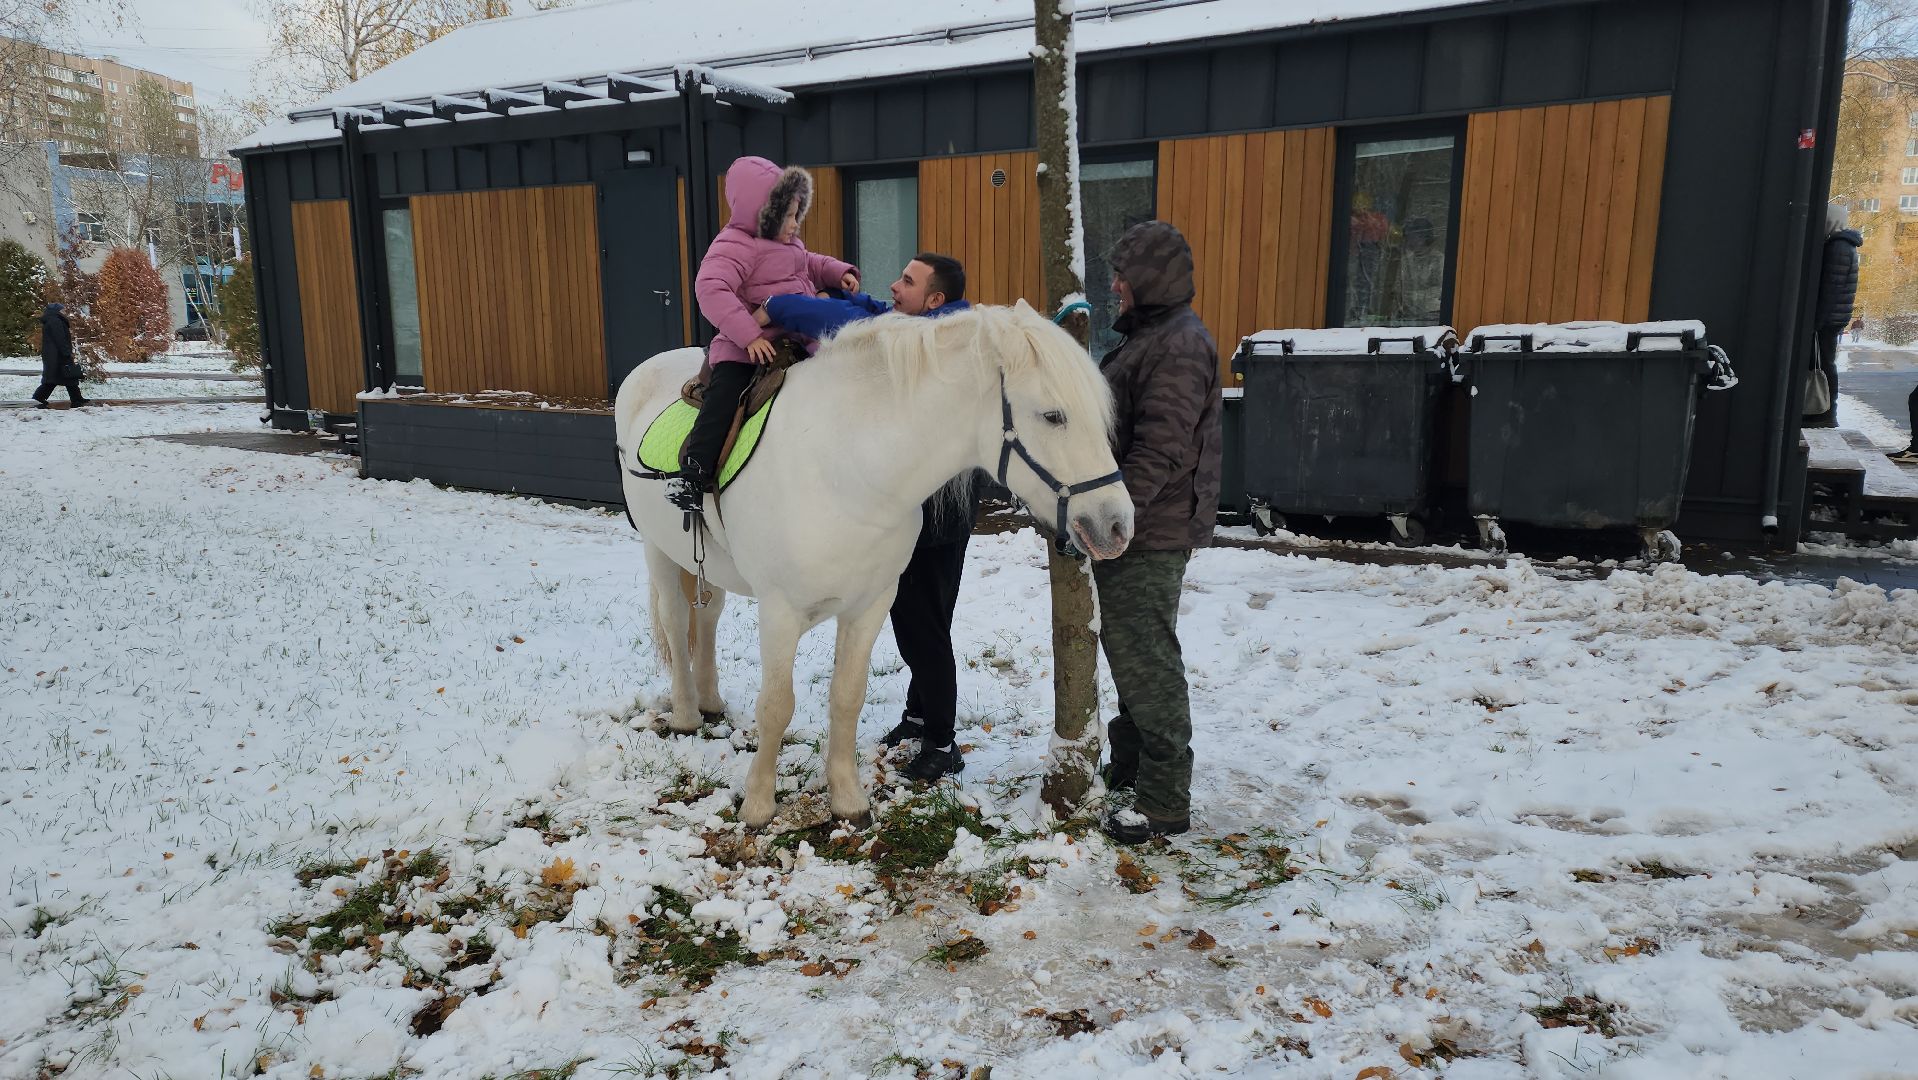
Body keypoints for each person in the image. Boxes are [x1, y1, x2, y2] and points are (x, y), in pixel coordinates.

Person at [759, 255, 981, 781]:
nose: (894, 285)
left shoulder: (928, 340)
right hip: (936, 508)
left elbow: (845, 324)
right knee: (928, 620)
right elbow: (868, 308)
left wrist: (773, 305)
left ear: (934, 301)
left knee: (921, 628)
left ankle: (942, 741)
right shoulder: (944, 327)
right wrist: (838, 284)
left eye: (908, 281)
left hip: (927, 515)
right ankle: (918, 713)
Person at [1092, 220, 1221, 845]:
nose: (1115, 284)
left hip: (1151, 527)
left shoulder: (1179, 344)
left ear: (1150, 280)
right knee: (1130, 652)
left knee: (1147, 658)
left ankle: (1165, 799)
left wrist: (1114, 517)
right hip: (1137, 523)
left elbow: (1161, 448)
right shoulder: (1151, 335)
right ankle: (1131, 767)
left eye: (1124, 274)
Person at [669, 156, 858, 510]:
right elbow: (711, 287)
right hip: (748, 346)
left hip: (798, 337)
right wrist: (747, 335)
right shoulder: (734, 244)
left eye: (797, 214)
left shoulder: (788, 244)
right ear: (761, 213)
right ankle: (694, 473)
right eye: (786, 216)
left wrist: (837, 272)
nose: (794, 224)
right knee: (726, 395)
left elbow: (810, 263)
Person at [1806, 203, 1860, 429]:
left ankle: (1823, 411)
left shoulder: (1837, 247)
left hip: (1827, 319)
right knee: (1825, 362)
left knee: (1823, 364)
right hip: (1834, 317)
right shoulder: (1844, 245)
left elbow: (1830, 288)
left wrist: (1814, 323)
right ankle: (1823, 410)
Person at [32, 303, 87, 409]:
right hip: (57, 355)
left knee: (65, 377)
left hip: (54, 354)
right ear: (56, 311)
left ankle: (77, 398)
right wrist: (66, 352)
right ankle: (39, 396)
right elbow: (60, 339)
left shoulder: (52, 320)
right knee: (61, 376)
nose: (64, 311)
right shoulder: (55, 321)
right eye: (62, 310)